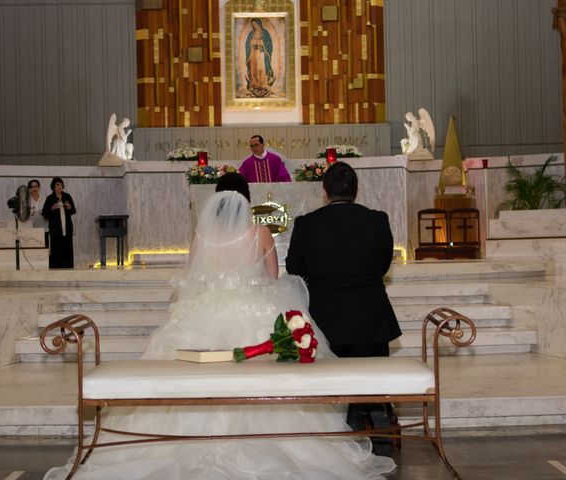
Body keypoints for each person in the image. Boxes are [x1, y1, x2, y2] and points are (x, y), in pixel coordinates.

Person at [43, 174, 395, 480]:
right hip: (251, 308)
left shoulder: (200, 236)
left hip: (204, 313)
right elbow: (272, 277)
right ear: (246, 200)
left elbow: (193, 277)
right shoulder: (259, 233)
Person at [285, 162, 402, 449]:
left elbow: (293, 267)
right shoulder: (377, 220)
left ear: (324, 191)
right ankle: (375, 414)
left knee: (330, 381)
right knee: (372, 374)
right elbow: (383, 265)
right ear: (356, 191)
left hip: (327, 321)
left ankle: (341, 428)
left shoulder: (306, 224)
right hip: (370, 319)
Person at [42, 177, 76, 269]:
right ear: (53, 186)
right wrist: (52, 209)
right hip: (55, 230)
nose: (60, 186)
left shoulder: (67, 196)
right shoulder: (50, 198)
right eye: (57, 184)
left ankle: (68, 270)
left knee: (68, 251)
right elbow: (45, 213)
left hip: (67, 229)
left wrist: (69, 207)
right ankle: (56, 271)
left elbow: (73, 211)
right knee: (56, 252)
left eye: (61, 184)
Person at [245, 18, 275, 97]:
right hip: (253, 54)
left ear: (259, 23)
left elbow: (269, 44)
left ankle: (263, 84)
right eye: (253, 25)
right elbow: (247, 44)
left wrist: (262, 43)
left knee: (261, 68)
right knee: (254, 69)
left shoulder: (265, 33)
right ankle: (254, 84)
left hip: (262, 54)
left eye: (255, 24)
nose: (254, 26)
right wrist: (251, 43)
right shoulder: (251, 34)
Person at [26, 179, 49, 247]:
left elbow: (49, 213)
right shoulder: (27, 201)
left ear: (39, 188)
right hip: (31, 229)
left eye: (36, 186)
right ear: (29, 189)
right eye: (32, 187)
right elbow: (23, 215)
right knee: (33, 250)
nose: (34, 188)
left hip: (44, 229)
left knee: (44, 251)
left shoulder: (45, 199)